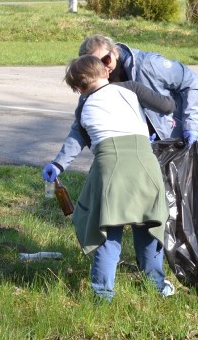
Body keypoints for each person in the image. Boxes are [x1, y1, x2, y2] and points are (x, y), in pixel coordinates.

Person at [45, 55, 177, 301]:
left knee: (108, 230)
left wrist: (58, 164)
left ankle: (103, 294)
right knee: (148, 227)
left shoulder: (84, 105)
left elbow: (78, 137)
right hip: (144, 163)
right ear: (107, 72)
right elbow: (168, 106)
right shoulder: (132, 89)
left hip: (109, 167)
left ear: (78, 89)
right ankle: (156, 287)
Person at [45, 34, 198, 174]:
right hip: (155, 151)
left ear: (115, 51)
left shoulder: (148, 65)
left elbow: (190, 81)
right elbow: (80, 128)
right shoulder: (94, 86)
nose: (105, 68)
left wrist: (191, 125)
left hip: (190, 140)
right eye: (97, 65)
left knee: (185, 200)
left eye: (105, 60)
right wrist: (59, 164)